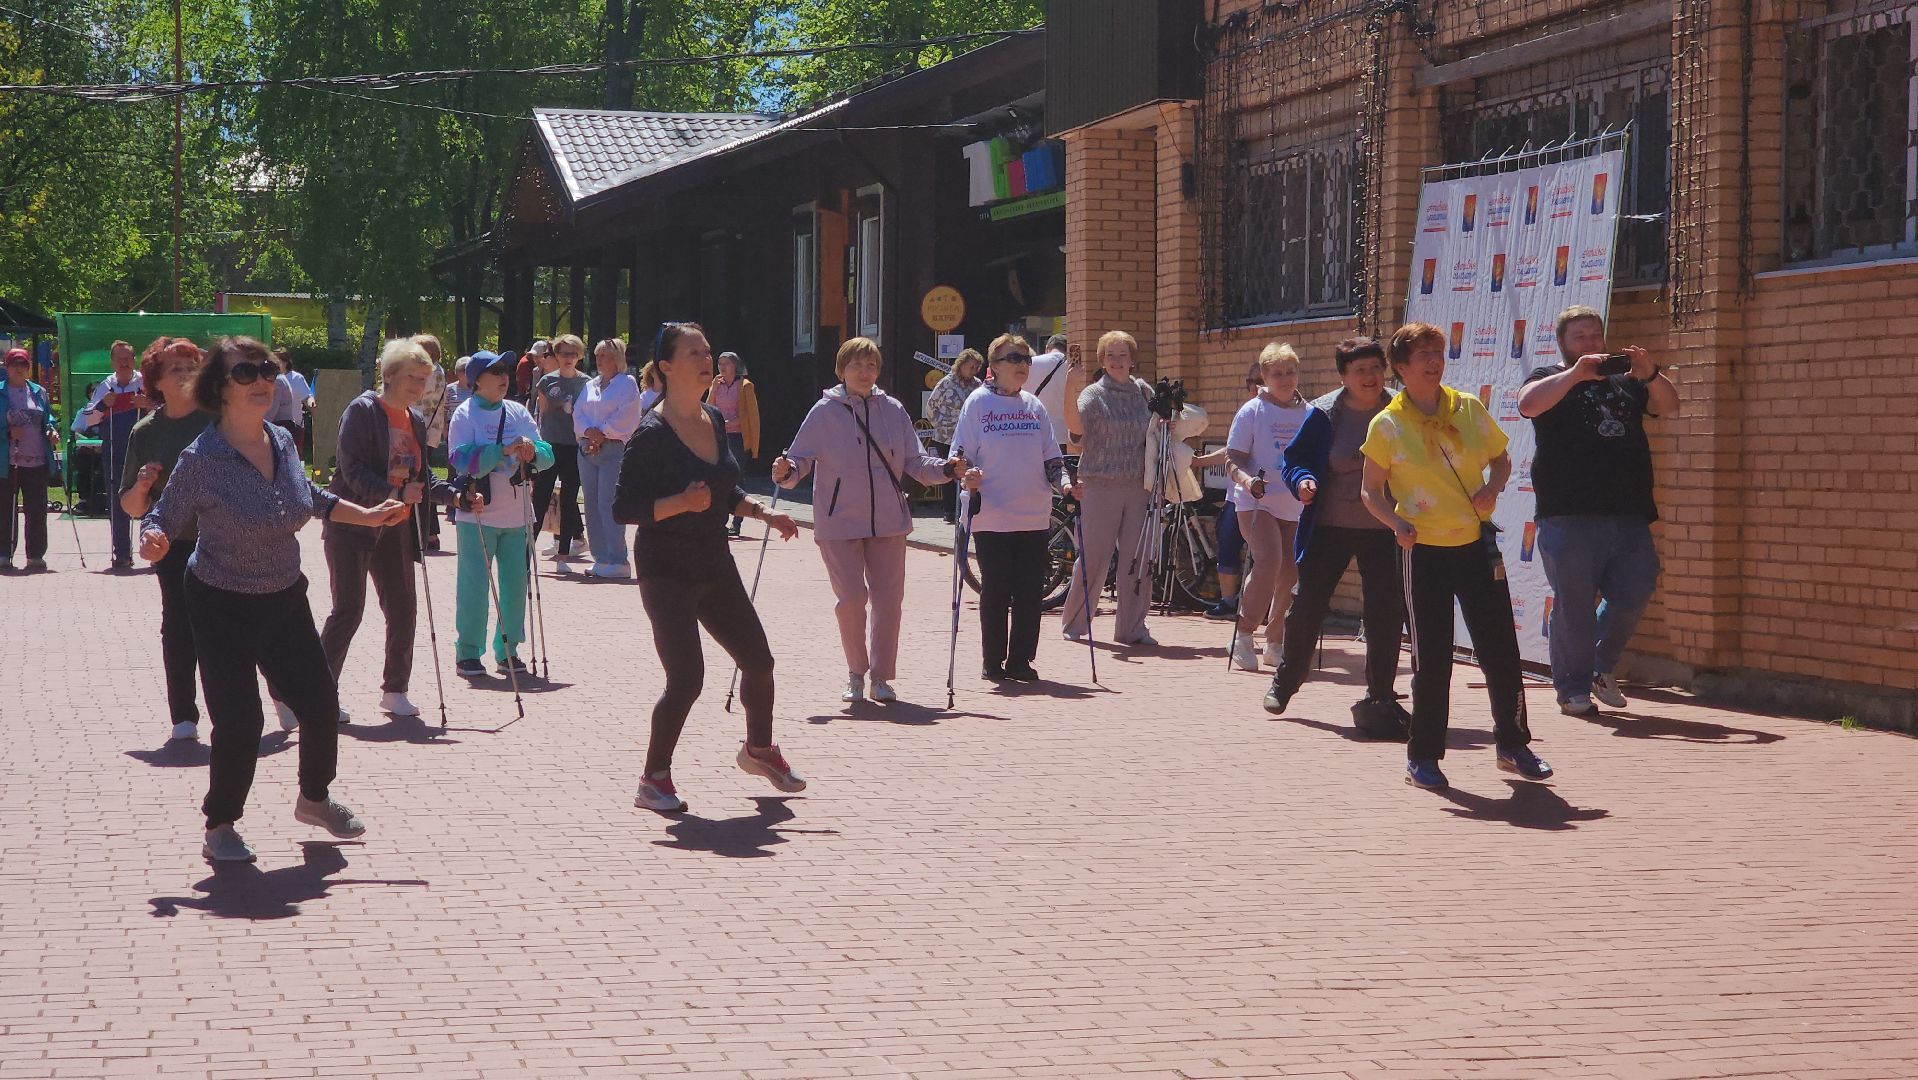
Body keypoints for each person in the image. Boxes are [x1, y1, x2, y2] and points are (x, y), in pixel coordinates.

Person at [138, 335, 407, 863]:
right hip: (220, 602)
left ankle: (314, 799)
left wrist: (368, 514)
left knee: (321, 704)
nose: (262, 380)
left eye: (267, 370)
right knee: (242, 721)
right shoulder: (202, 458)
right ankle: (220, 824)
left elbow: (310, 497)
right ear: (220, 387)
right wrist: (153, 538)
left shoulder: (281, 440)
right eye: (246, 373)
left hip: (283, 595)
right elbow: (161, 517)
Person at [612, 322, 804, 813]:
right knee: (686, 679)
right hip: (665, 571)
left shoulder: (714, 418)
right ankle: (653, 779)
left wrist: (763, 513)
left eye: (708, 352)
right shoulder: (650, 434)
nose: (705, 361)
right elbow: (624, 508)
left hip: (713, 563)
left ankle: (758, 749)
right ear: (666, 367)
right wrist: (679, 502)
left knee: (758, 661)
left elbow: (723, 488)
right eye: (694, 353)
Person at [1360, 322, 1551, 791]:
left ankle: (1513, 744)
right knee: (1432, 658)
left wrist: (1493, 487)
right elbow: (1370, 491)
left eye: (1438, 353)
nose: (1433, 362)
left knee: (1500, 650)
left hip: (1475, 545)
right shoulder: (1387, 424)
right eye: (1422, 355)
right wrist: (1396, 524)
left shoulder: (1467, 407)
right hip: (1422, 550)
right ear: (1401, 367)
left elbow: (1502, 459)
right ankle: (1423, 757)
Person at [773, 337, 958, 704]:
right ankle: (856, 673)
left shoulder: (893, 410)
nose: (864, 372)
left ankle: (881, 678)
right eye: (856, 365)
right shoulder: (824, 412)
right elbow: (799, 460)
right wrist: (786, 471)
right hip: (838, 522)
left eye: (871, 366)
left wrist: (948, 470)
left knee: (889, 602)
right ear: (842, 370)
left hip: (889, 521)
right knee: (852, 599)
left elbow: (916, 462)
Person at [1519, 305, 1678, 717]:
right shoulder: (1549, 377)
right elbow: (1528, 405)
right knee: (1574, 604)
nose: (1590, 343)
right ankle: (1572, 689)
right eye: (1580, 337)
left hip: (1629, 512)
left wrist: (1651, 374)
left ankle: (1598, 665)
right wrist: (1575, 375)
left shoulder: (1625, 381)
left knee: (1635, 589)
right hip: (1568, 512)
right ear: (1563, 343)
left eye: (1595, 335)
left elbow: (1669, 405)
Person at [1262, 336, 1409, 730]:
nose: (1371, 376)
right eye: (1360, 370)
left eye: (1376, 368)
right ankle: (1286, 681)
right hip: (1329, 527)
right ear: (1343, 376)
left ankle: (1380, 694)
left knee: (1384, 613)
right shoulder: (1324, 414)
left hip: (1386, 528)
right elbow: (1293, 460)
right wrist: (1303, 481)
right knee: (1307, 605)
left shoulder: (1402, 410)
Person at [319, 339, 463, 719]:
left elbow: (422, 476)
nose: (419, 386)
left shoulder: (414, 419)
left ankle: (395, 690)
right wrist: (394, 492)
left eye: (424, 379)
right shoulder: (362, 411)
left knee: (402, 609)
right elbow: (351, 471)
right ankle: (318, 691)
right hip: (353, 524)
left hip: (396, 528)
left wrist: (455, 496)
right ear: (389, 374)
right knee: (348, 610)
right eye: (412, 378)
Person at [954, 334, 1065, 683]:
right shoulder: (978, 403)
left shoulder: (1034, 406)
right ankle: (993, 660)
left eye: (1026, 359)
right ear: (994, 366)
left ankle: (1021, 660)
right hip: (992, 515)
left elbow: (1052, 458)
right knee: (997, 590)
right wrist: (967, 474)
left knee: (1030, 592)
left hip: (1034, 515)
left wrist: (1065, 484)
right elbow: (960, 455)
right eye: (1013, 358)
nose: (1022, 365)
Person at [120, 339, 215, 740]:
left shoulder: (219, 420)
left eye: (192, 366)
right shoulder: (145, 432)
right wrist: (143, 485)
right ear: (156, 380)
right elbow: (130, 506)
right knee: (178, 625)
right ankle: (183, 717)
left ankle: (276, 696)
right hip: (172, 543)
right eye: (175, 368)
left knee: (239, 622)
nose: (186, 373)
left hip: (224, 539)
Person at [447, 351, 552, 678]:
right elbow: (460, 460)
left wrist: (533, 452)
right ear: (476, 381)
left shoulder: (518, 411)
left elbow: (547, 455)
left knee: (515, 588)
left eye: (505, 371)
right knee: (474, 587)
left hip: (518, 515)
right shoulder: (465, 414)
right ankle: (468, 652)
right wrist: (502, 451)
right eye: (495, 372)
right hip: (477, 516)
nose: (504, 377)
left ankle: (508, 650)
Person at [1061, 331, 1155, 647]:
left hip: (1138, 486)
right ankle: (1075, 622)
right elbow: (1075, 432)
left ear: (1132, 359)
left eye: (1122, 354)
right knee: (1094, 556)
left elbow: (1159, 431)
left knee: (1137, 559)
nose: (1117, 361)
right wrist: (1070, 387)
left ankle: (1132, 628)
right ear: (1102, 361)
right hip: (1100, 486)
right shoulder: (1093, 394)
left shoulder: (1143, 391)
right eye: (1110, 355)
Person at [1224, 343, 1311, 672]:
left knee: (1290, 571)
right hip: (1256, 502)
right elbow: (1233, 458)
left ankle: (1276, 642)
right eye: (1277, 374)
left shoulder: (1308, 412)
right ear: (1264, 376)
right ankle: (1243, 634)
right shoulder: (1252, 411)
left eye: (1291, 372)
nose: (1285, 379)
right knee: (1270, 560)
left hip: (1294, 503)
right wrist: (1248, 481)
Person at [1196, 363, 1264, 620]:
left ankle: (1260, 606)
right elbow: (1231, 450)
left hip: (1267, 497)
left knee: (1263, 553)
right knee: (1227, 543)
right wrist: (1199, 462)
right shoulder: (1246, 412)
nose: (1257, 386)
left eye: (1262, 380)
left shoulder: (1280, 413)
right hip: (1237, 496)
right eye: (1252, 382)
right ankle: (1227, 602)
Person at [574, 338, 642, 578]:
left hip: (612, 449)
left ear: (617, 359)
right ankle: (601, 558)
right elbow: (578, 413)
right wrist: (588, 432)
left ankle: (618, 559)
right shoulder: (590, 385)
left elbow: (628, 415)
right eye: (597, 355)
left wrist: (602, 432)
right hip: (587, 449)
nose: (599, 359)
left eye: (604, 355)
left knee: (608, 503)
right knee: (591, 504)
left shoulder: (627, 383)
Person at [82, 339, 148, 568]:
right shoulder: (105, 386)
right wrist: (103, 405)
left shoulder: (145, 382)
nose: (123, 362)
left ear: (134, 360)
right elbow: (86, 420)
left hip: (143, 451)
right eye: (119, 359)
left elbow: (165, 410)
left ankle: (152, 550)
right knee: (117, 500)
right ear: (112, 362)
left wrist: (147, 403)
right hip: (115, 451)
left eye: (127, 358)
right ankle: (122, 552)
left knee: (150, 498)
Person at [530, 334, 588, 559]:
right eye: (564, 353)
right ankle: (527, 550)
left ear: (579, 356)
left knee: (569, 498)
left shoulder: (586, 383)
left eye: (573, 353)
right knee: (540, 497)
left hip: (573, 445)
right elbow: (543, 414)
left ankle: (564, 552)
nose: (568, 358)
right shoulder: (546, 381)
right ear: (557, 355)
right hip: (550, 445)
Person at [1, 347, 58, 572]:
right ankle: (3, 554)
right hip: (7, 462)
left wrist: (51, 429)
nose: (19, 368)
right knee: (5, 509)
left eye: (23, 364)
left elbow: (48, 417)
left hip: (36, 460)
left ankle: (36, 555)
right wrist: (8, 432)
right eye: (14, 364)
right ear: (6, 367)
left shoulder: (38, 392)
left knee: (36, 509)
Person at [706, 351, 761, 537]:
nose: (722, 367)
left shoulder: (745, 386)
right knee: (716, 477)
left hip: (737, 437)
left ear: (735, 366)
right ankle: (718, 520)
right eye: (720, 363)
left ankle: (737, 522)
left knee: (736, 478)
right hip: (719, 437)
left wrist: (728, 423)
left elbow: (749, 416)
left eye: (726, 363)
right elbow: (708, 408)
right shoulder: (717, 385)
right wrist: (713, 389)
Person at [926, 348, 984, 524]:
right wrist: (940, 425)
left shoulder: (977, 385)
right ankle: (949, 510)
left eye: (976, 368)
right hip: (946, 436)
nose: (973, 370)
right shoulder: (946, 383)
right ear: (961, 365)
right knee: (949, 473)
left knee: (967, 471)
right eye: (970, 366)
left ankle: (966, 508)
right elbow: (931, 406)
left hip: (968, 436)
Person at [412, 333, 451, 552]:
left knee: (422, 481)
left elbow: (414, 393)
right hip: (426, 432)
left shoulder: (431, 372)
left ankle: (429, 532)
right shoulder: (436, 371)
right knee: (421, 478)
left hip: (421, 432)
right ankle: (428, 533)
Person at [1026, 333, 1075, 451]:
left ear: (1047, 348)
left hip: (1033, 429)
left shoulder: (1031, 363)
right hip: (1061, 433)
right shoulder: (1072, 366)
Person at [269, 348, 314, 460]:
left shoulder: (296, 378)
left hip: (295, 425)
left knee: (294, 457)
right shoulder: (271, 378)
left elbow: (307, 396)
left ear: (285, 362)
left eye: (277, 361)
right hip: (275, 424)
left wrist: (311, 403)